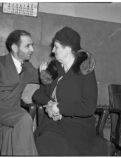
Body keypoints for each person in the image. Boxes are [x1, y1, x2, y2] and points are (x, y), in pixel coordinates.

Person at [32, 26, 108, 156]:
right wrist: (51, 105)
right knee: (47, 141)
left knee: (57, 145)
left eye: (56, 46)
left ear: (67, 49)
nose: (52, 50)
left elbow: (89, 107)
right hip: (53, 124)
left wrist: (60, 108)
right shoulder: (54, 67)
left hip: (77, 127)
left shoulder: (85, 70)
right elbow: (38, 95)